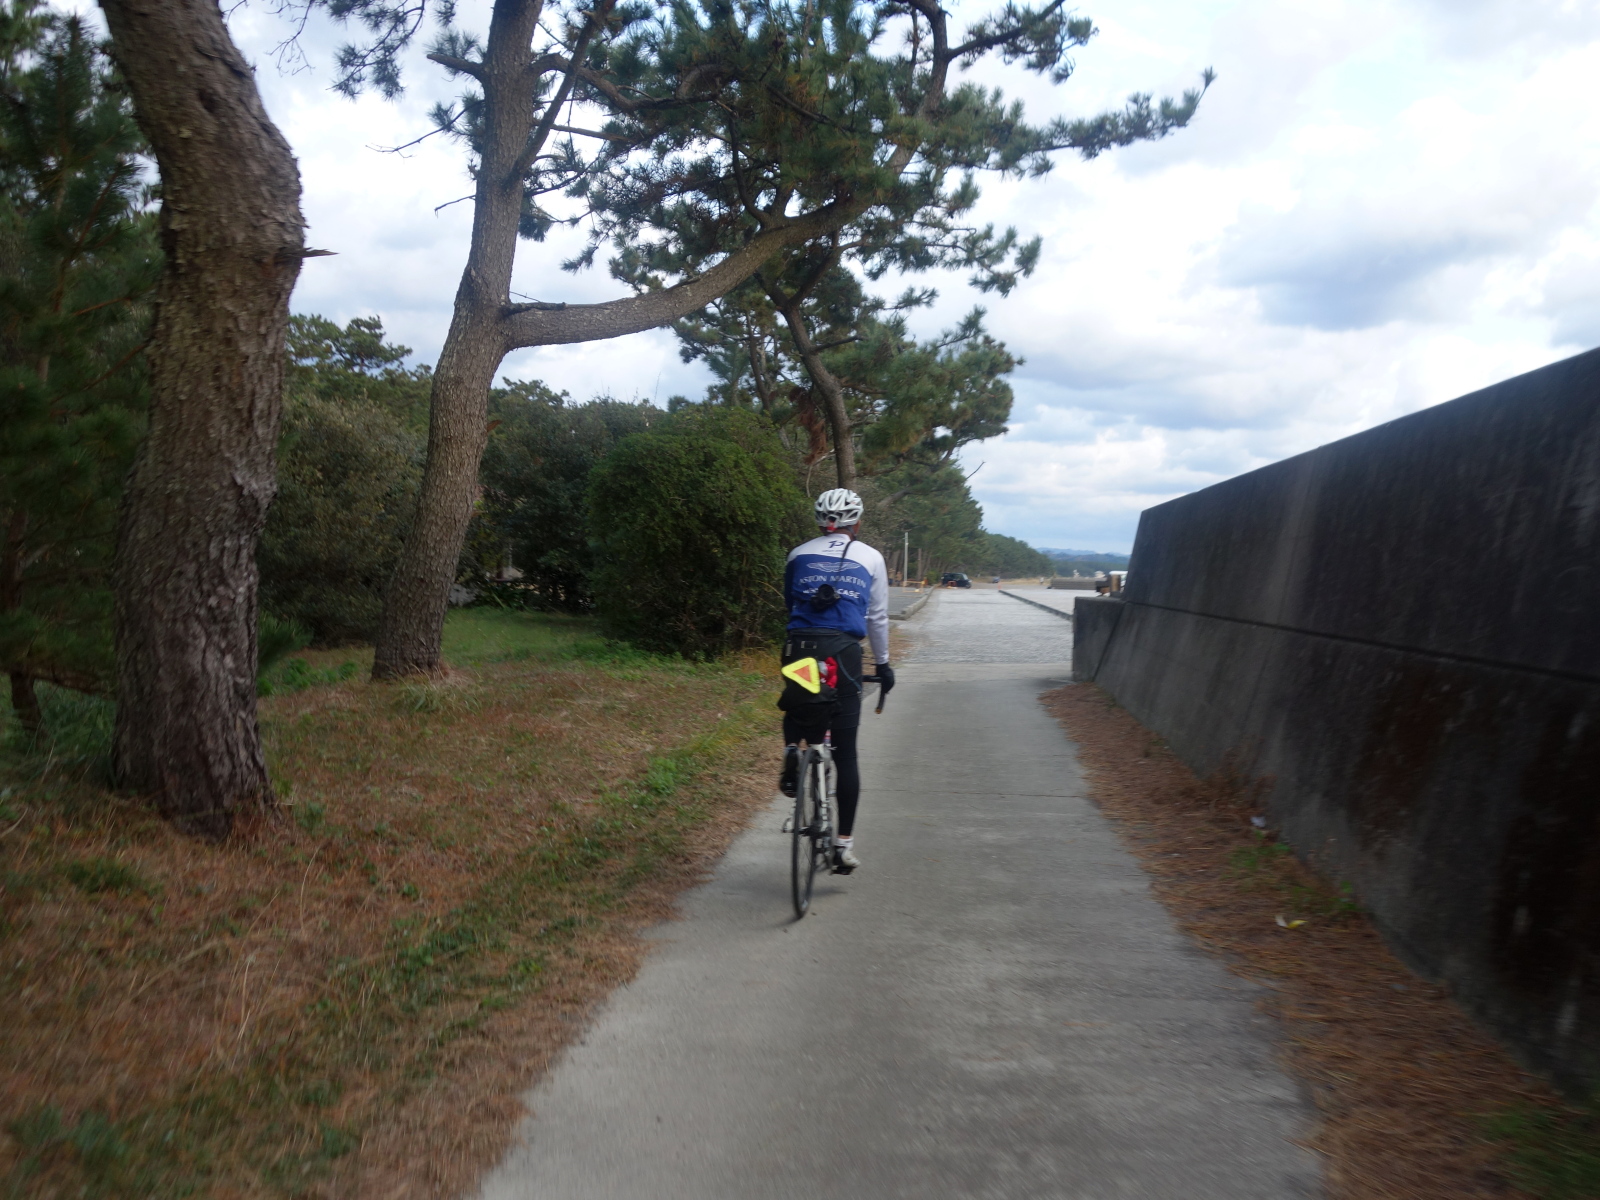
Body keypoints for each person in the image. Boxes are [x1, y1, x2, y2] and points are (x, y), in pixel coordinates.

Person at [777, 488, 894, 873]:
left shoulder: (797, 554)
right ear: (856, 523)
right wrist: (884, 665)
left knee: (800, 701)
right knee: (845, 754)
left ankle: (792, 749)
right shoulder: (871, 557)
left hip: (799, 647)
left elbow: (790, 605)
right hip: (842, 653)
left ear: (819, 522)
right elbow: (877, 618)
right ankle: (843, 845)